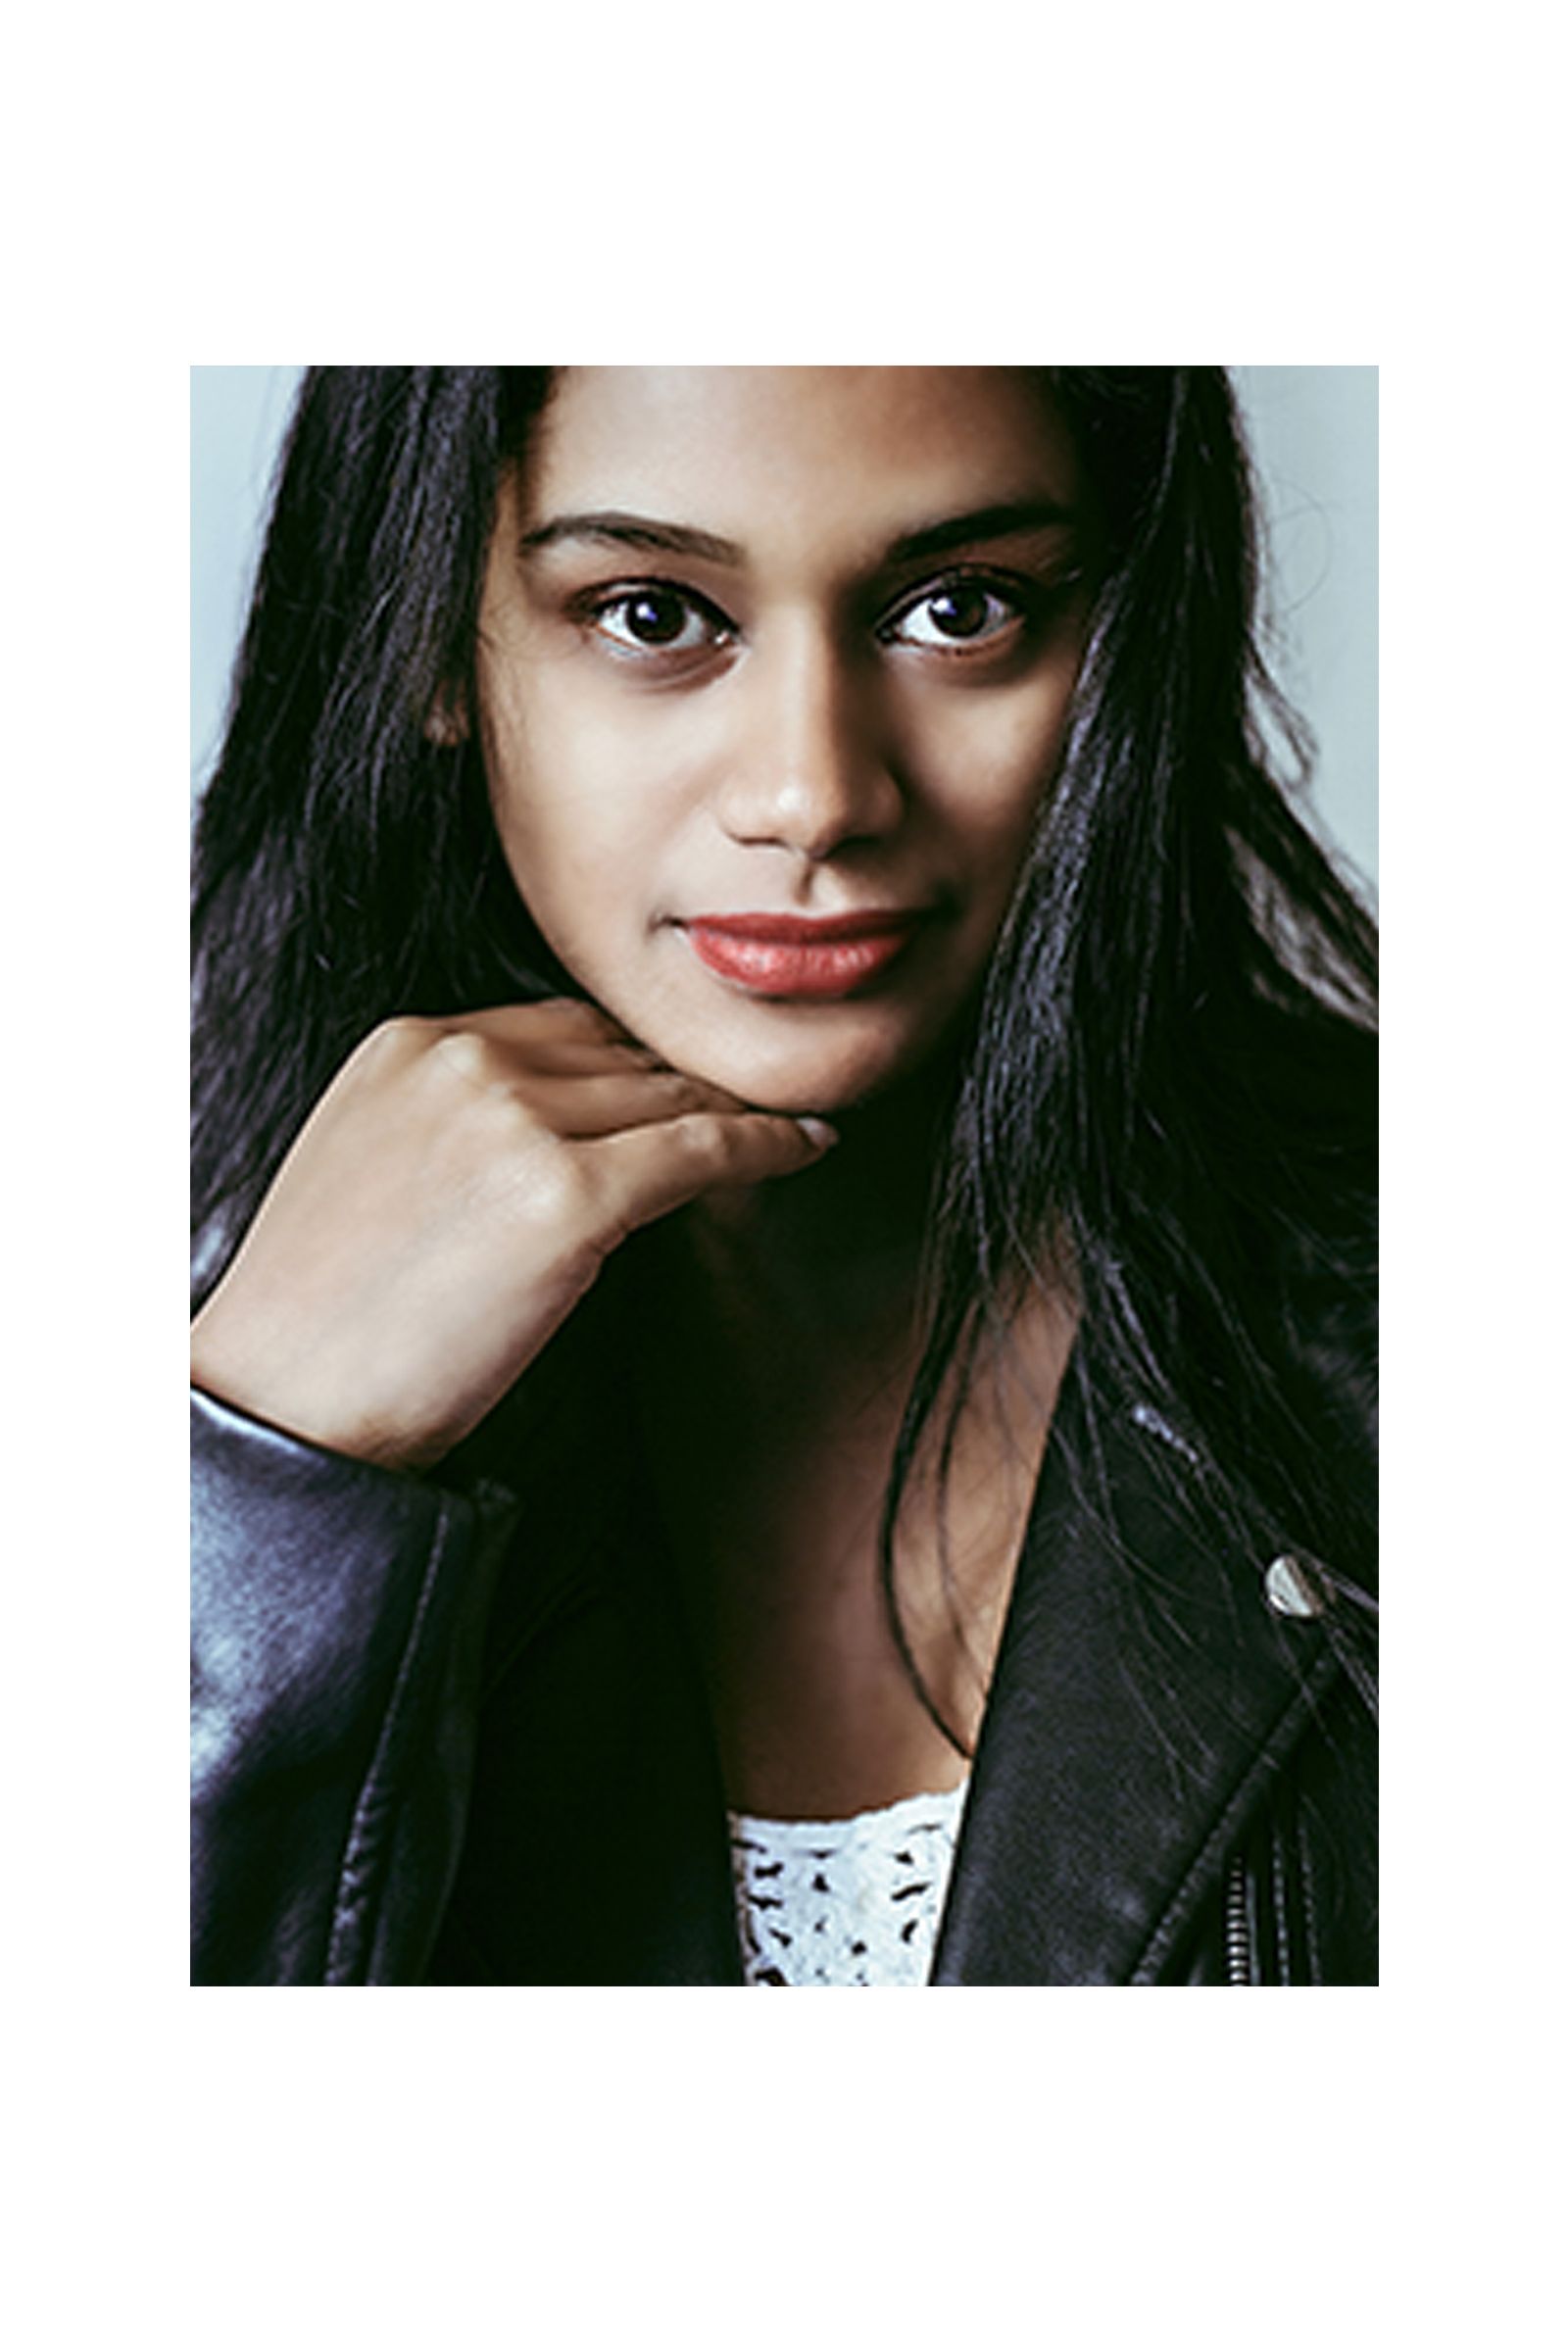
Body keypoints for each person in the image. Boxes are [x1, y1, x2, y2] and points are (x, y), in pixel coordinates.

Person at [190, 367, 1377, 1986]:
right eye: (653, 615)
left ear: (1126, 635)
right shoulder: (199, 1338)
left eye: (961, 608)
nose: (813, 795)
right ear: (428, 643)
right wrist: (257, 1485)